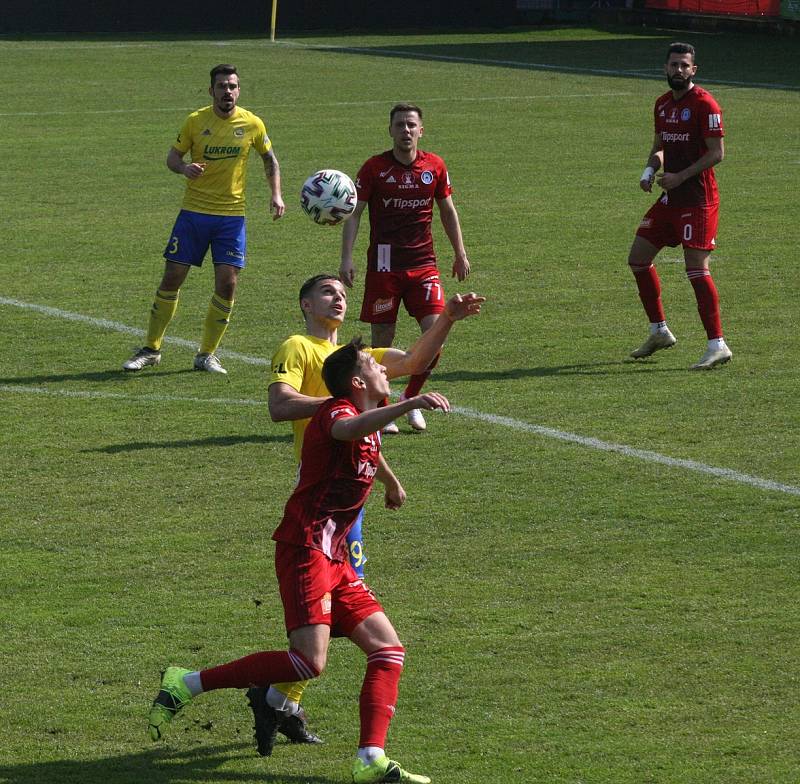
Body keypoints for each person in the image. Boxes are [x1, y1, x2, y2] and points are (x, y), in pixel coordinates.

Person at [148, 337, 447, 784]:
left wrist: (390, 482)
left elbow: (369, 446)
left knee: (388, 650)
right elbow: (350, 431)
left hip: (337, 558)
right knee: (309, 663)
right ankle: (186, 682)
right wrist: (407, 405)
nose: (387, 372)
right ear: (357, 380)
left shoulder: (362, 421)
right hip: (305, 549)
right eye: (377, 367)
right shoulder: (335, 412)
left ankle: (370, 759)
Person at [255, 274, 484, 755]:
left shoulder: (360, 361)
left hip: (348, 494)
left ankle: (278, 698)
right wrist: (343, 406)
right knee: (342, 610)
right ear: (304, 304)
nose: (338, 297)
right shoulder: (299, 346)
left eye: (342, 291)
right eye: (326, 292)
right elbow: (279, 405)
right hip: (322, 497)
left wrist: (446, 319)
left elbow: (416, 360)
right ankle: (275, 697)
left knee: (342, 609)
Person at [122, 64, 285, 375]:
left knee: (228, 284)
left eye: (232, 86)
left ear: (239, 91)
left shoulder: (252, 124)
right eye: (222, 86)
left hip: (231, 218)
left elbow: (269, 159)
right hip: (193, 215)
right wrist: (184, 169)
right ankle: (151, 348)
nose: (227, 91)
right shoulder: (196, 121)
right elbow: (172, 157)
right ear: (211, 91)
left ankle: (206, 354)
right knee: (172, 278)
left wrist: (276, 194)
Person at [340, 103, 471, 432]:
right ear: (390, 131)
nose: (406, 130)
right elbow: (355, 214)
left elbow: (447, 210)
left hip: (423, 263)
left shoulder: (435, 167)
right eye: (399, 125)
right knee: (382, 340)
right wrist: (347, 257)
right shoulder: (374, 168)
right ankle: (381, 409)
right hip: (384, 265)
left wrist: (460, 252)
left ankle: (408, 401)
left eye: (411, 125)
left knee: (436, 335)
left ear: (421, 130)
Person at [627, 42, 731, 370]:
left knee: (696, 269)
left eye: (684, 66)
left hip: (698, 200)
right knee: (638, 259)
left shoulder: (704, 104)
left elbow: (717, 152)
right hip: (670, 199)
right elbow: (660, 147)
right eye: (674, 65)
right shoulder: (661, 105)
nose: (679, 70)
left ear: (693, 70)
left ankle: (717, 344)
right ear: (665, 68)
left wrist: (681, 176)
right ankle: (659, 331)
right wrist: (649, 172)